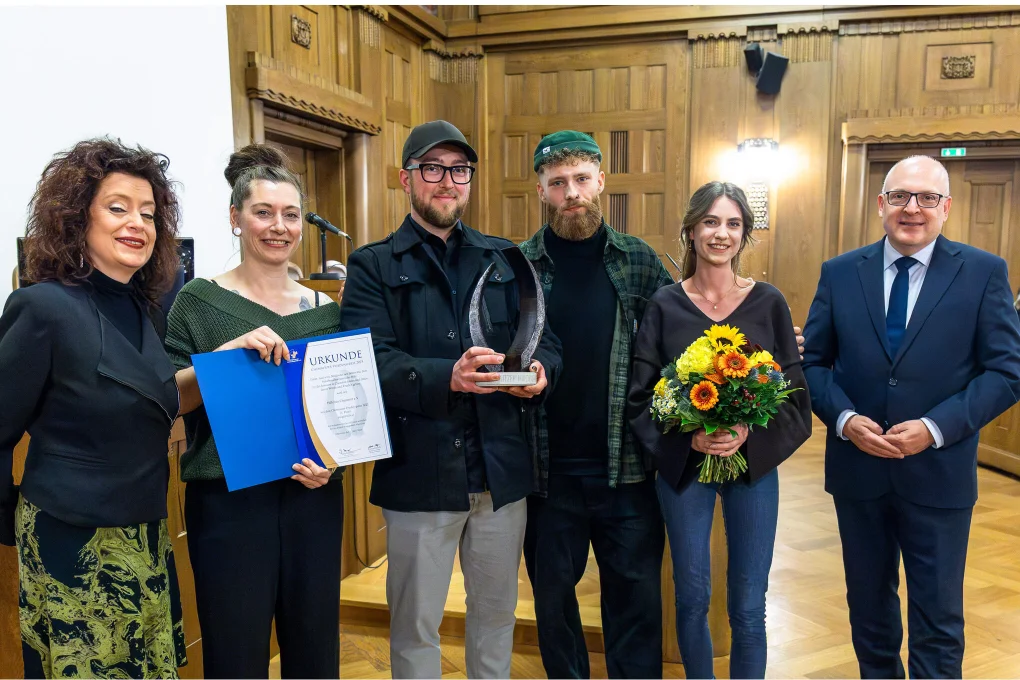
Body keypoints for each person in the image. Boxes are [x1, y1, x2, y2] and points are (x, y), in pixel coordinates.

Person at [338, 120, 562, 679]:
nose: (447, 181)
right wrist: (448, 377)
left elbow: (545, 340)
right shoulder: (373, 264)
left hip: (500, 472)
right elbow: (369, 362)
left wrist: (540, 373)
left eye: (458, 170)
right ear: (405, 179)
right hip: (421, 472)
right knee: (415, 625)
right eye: (432, 169)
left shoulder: (505, 257)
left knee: (497, 617)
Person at [801, 155, 1020, 679]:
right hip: (860, 473)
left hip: (939, 475)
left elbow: (1007, 372)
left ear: (946, 208)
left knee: (938, 619)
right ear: (881, 205)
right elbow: (812, 364)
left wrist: (935, 428)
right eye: (900, 196)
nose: (912, 208)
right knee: (869, 613)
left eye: (926, 198)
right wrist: (846, 419)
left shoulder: (984, 272)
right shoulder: (839, 272)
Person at [0, 138, 186, 678]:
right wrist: (11, 520)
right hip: (71, 543)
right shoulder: (41, 307)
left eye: (149, 213)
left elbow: (158, 396)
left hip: (146, 535)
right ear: (77, 217)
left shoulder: (145, 309)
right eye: (118, 207)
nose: (137, 224)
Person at [165, 144, 343, 679]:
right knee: (235, 649)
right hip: (228, 506)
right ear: (235, 219)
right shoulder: (197, 301)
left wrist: (333, 461)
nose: (278, 227)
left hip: (314, 497)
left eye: (290, 215)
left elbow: (338, 409)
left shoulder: (327, 311)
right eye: (263, 213)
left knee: (314, 647)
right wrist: (223, 359)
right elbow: (168, 399)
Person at [628, 181, 813, 680]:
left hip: (753, 469)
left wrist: (748, 434)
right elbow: (640, 398)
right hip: (685, 468)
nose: (721, 233)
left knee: (750, 603)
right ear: (691, 230)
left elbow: (796, 398)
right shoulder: (665, 305)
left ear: (745, 235)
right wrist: (688, 438)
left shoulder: (768, 302)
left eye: (733, 224)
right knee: (691, 595)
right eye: (711, 222)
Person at [518, 131, 671, 678]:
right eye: (558, 183)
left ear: (601, 181)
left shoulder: (639, 261)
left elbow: (685, 342)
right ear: (541, 190)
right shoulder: (518, 266)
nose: (571, 193)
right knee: (553, 606)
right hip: (546, 472)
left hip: (626, 469)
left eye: (581, 179)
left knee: (635, 605)